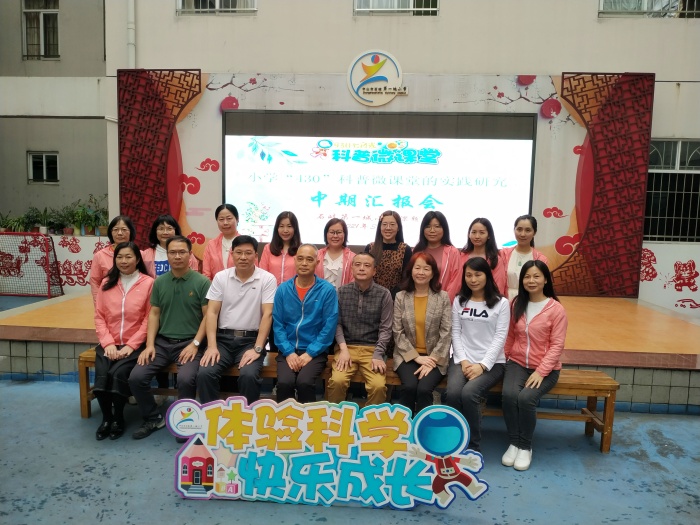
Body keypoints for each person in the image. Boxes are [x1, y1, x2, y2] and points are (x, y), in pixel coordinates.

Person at [128, 236, 210, 440]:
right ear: (167, 255)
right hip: (162, 343)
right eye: (172, 252)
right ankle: (153, 418)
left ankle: (185, 423)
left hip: (190, 343)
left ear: (190, 255)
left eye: (182, 252)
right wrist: (149, 345)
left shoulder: (202, 282)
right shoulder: (159, 282)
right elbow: (154, 314)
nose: (177, 256)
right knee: (136, 377)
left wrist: (195, 344)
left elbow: (208, 316)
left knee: (185, 379)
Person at [501, 260, 567, 471]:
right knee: (509, 395)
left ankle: (525, 446)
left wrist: (541, 371)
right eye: (527, 276)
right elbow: (510, 336)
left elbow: (557, 345)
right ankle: (514, 442)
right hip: (517, 363)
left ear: (545, 280)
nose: (531, 280)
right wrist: (506, 359)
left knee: (525, 398)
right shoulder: (516, 303)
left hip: (546, 369)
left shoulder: (556, 309)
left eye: (536, 276)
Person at [197, 236, 276, 405]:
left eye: (248, 253)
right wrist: (211, 346)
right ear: (232, 254)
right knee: (205, 373)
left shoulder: (267, 279)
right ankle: (211, 415)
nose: (243, 257)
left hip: (250, 341)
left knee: (249, 375)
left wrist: (257, 348)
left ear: (256, 255)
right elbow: (212, 312)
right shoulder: (221, 277)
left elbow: (267, 314)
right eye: (238, 253)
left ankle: (248, 417)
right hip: (222, 341)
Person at [445, 257, 510, 452]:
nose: (473, 279)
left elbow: (500, 337)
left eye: (478, 274)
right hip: (462, 359)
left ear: (487, 276)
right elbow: (455, 333)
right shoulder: (459, 301)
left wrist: (482, 366)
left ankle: (473, 446)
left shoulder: (501, 303)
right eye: (469, 275)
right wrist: (464, 361)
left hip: (492, 363)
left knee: (469, 393)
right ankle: (453, 441)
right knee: (453, 394)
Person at [93, 242, 154, 440]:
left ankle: (118, 418)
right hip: (109, 344)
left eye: (128, 257)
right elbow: (99, 316)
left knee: (117, 373)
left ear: (137, 259)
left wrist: (131, 345)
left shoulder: (148, 283)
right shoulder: (106, 283)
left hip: (134, 345)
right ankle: (106, 418)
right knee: (102, 375)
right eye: (119, 257)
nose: (124, 261)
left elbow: (149, 319)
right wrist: (108, 343)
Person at [273, 244, 339, 403]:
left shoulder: (327, 290)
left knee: (304, 382)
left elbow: (329, 326)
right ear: (295, 261)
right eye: (300, 259)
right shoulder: (283, 289)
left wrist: (310, 353)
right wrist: (289, 352)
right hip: (287, 349)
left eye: (309, 259)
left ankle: (309, 418)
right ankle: (285, 417)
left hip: (315, 351)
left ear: (317, 263)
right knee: (285, 383)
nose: (304, 263)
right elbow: (278, 324)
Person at [326, 253, 393, 406]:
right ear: (351, 269)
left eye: (367, 265)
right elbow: (337, 324)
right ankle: (335, 418)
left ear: (374, 271)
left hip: (372, 350)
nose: (361, 268)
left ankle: (369, 420)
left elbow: (386, 328)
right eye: (357, 265)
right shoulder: (342, 292)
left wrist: (378, 354)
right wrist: (343, 349)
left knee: (378, 386)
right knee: (337, 381)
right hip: (346, 347)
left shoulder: (384, 294)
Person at [392, 252, 452, 414]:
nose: (421, 272)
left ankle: (423, 426)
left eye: (426, 269)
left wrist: (432, 359)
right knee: (410, 387)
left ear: (433, 273)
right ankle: (405, 425)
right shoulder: (401, 297)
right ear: (411, 271)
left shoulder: (442, 297)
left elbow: (446, 332)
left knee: (424, 389)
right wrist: (416, 357)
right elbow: (397, 331)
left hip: (435, 356)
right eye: (417, 268)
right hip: (407, 355)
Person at [413, 211, 461, 301]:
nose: (432, 230)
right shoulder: (416, 251)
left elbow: (455, 282)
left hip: (443, 302)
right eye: (428, 226)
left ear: (444, 229)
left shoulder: (453, 252)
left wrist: (444, 302)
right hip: (418, 300)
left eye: (437, 226)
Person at [364, 210, 412, 297]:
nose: (388, 228)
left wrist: (391, 295)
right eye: (384, 224)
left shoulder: (405, 249)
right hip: (371, 296)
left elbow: (406, 278)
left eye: (392, 224)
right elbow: (365, 273)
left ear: (398, 228)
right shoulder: (370, 248)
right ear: (380, 227)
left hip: (396, 297)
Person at [500, 214, 548, 300]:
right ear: (514, 230)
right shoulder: (503, 254)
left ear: (534, 232)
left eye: (528, 230)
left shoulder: (540, 259)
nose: (522, 234)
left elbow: (543, 286)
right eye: (519, 229)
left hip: (530, 300)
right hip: (505, 300)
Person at [89, 215, 136, 303]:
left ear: (131, 232)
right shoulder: (100, 256)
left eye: (124, 229)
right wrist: (98, 303)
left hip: (134, 302)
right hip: (108, 303)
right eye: (116, 229)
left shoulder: (139, 254)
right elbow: (95, 282)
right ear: (111, 232)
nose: (120, 233)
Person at [141, 214, 199, 278]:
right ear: (155, 232)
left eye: (169, 229)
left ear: (175, 231)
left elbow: (194, 277)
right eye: (161, 229)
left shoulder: (186, 253)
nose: (165, 232)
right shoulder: (145, 255)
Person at [459, 217, 506, 296]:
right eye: (473, 232)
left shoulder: (495, 259)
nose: (477, 236)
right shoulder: (461, 256)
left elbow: (498, 286)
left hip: (489, 300)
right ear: (469, 234)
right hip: (464, 298)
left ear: (489, 235)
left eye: (482, 232)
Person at [259, 211, 301, 286]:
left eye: (289, 226)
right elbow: (262, 273)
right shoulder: (268, 248)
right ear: (277, 228)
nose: (285, 230)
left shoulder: (301, 249)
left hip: (293, 291)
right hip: (271, 291)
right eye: (281, 226)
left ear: (295, 228)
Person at [203, 204, 240, 280]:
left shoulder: (246, 244)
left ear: (237, 219)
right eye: (221, 219)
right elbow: (206, 274)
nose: (225, 223)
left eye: (229, 218)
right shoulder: (211, 245)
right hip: (215, 286)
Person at [315, 218, 354, 289]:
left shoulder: (352, 258)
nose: (335, 236)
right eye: (332, 232)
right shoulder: (316, 255)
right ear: (326, 234)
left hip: (344, 295)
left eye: (339, 232)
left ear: (345, 234)